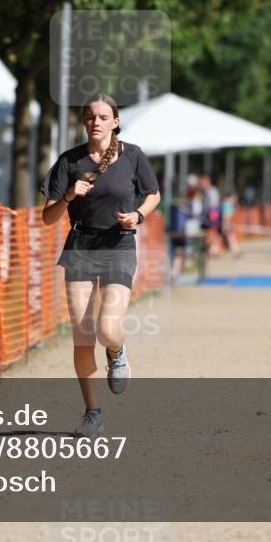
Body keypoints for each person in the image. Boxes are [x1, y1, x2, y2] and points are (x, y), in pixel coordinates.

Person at [41, 93, 161, 438]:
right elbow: (48, 218)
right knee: (82, 333)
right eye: (90, 116)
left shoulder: (133, 156)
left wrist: (137, 215)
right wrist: (67, 197)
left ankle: (116, 351)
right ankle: (93, 412)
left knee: (108, 328)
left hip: (117, 244)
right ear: (83, 122)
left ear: (115, 121)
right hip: (80, 245)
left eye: (103, 116)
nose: (96, 121)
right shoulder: (68, 161)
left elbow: (153, 194)